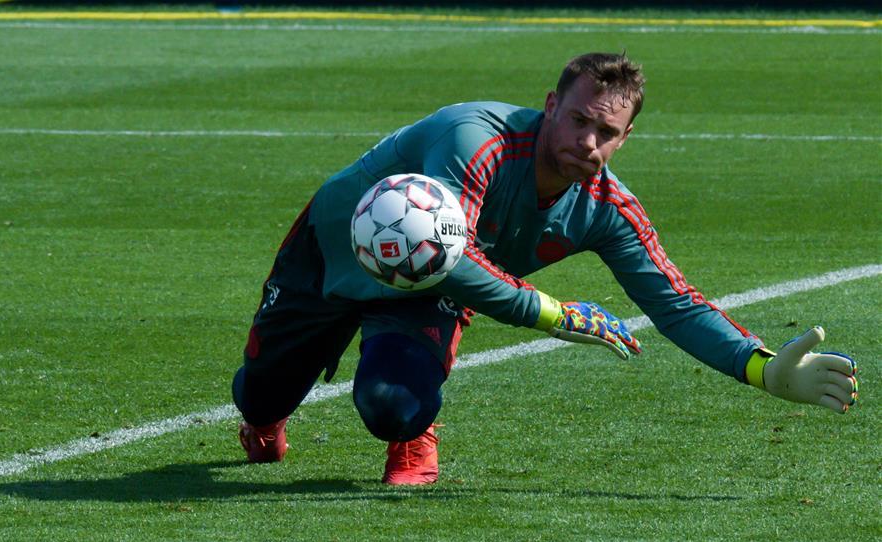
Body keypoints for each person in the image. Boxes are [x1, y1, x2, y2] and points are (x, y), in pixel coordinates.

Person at [232, 52, 859, 485]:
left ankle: (413, 431)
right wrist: (556, 312)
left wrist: (760, 366)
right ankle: (265, 418)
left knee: (394, 403)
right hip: (330, 250)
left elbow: (676, 302)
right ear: (552, 104)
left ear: (624, 138)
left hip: (427, 289)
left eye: (605, 131)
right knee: (257, 393)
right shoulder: (472, 137)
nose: (587, 140)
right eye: (578, 119)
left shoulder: (607, 209)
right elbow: (450, 260)